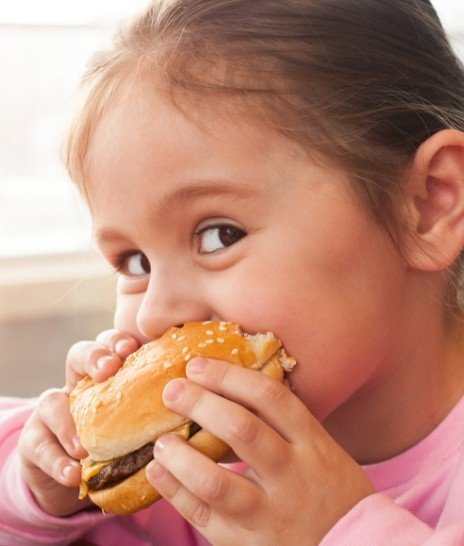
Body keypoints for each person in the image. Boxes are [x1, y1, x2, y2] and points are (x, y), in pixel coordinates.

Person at [1, 0, 464, 543]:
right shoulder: (178, 461)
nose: (153, 315)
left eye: (219, 234)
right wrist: (37, 487)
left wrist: (339, 532)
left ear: (428, 206)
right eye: (136, 263)